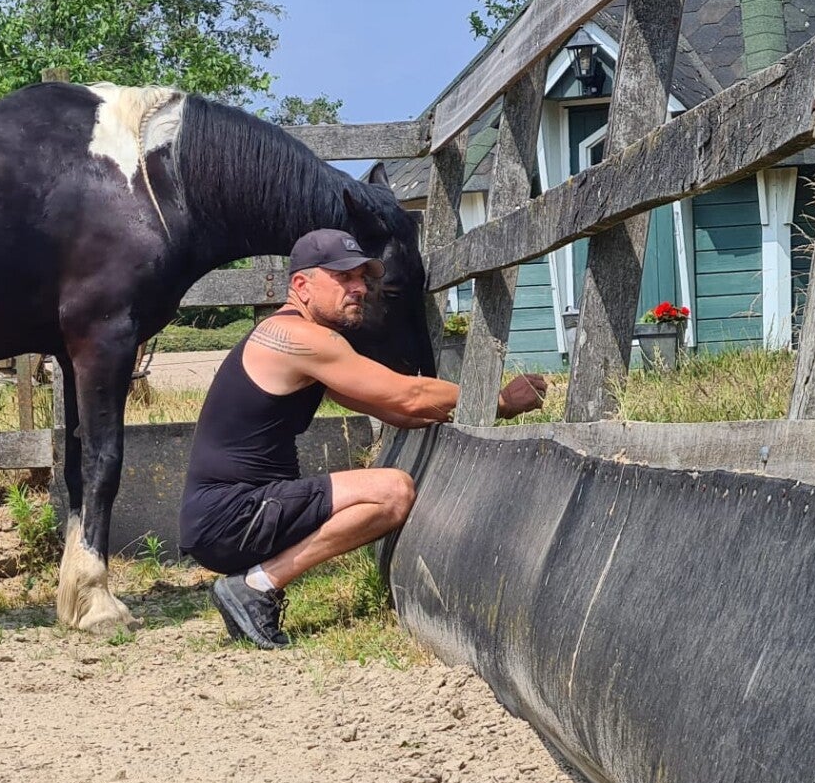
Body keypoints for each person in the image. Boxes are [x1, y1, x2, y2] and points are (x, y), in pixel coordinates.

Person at [179, 228, 547, 648]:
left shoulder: (296, 339)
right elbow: (408, 394)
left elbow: (397, 411)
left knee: (385, 488)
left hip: (228, 516)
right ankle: (256, 586)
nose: (359, 288)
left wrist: (461, 414)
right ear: (301, 285)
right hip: (231, 515)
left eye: (361, 277)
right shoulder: (299, 338)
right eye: (342, 277)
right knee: (392, 492)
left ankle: (256, 582)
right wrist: (498, 401)